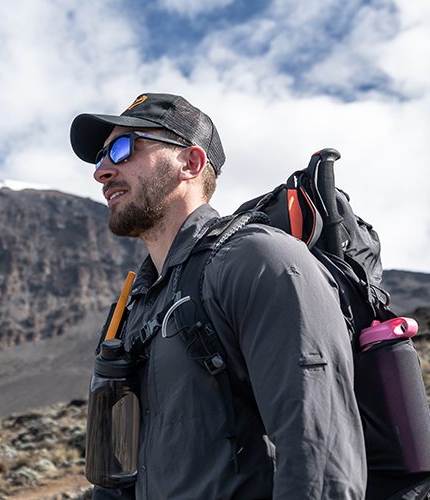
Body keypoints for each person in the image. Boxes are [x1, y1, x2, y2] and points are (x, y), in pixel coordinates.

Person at [70, 93, 366, 499]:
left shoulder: (257, 260)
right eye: (101, 156)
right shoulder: (130, 310)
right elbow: (115, 478)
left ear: (190, 163)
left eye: (123, 149)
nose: (102, 171)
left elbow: (320, 459)